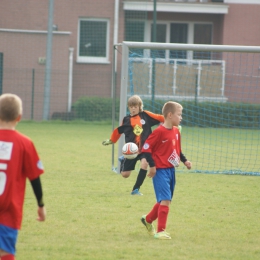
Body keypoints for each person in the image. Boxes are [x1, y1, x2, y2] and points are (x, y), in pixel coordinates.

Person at [0, 94, 46, 260]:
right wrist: (40, 205)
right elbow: (35, 178)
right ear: (19, 117)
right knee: (5, 253)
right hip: (8, 211)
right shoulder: (24, 143)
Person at [140, 101, 192, 240]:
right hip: (160, 171)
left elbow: (177, 150)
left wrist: (185, 160)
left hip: (171, 171)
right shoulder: (159, 132)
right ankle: (160, 231)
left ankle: (148, 219)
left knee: (165, 200)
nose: (181, 118)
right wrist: (152, 166)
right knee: (165, 200)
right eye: (179, 115)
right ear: (170, 115)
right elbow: (146, 149)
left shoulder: (176, 131)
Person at [102, 95, 164, 195]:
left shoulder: (146, 115)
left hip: (145, 149)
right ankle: (123, 160)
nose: (133, 108)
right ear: (128, 107)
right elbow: (118, 131)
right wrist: (112, 140)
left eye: (135, 106)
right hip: (131, 150)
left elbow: (160, 118)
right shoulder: (126, 119)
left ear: (140, 106)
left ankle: (135, 189)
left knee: (144, 164)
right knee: (125, 174)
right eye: (131, 106)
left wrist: (173, 124)